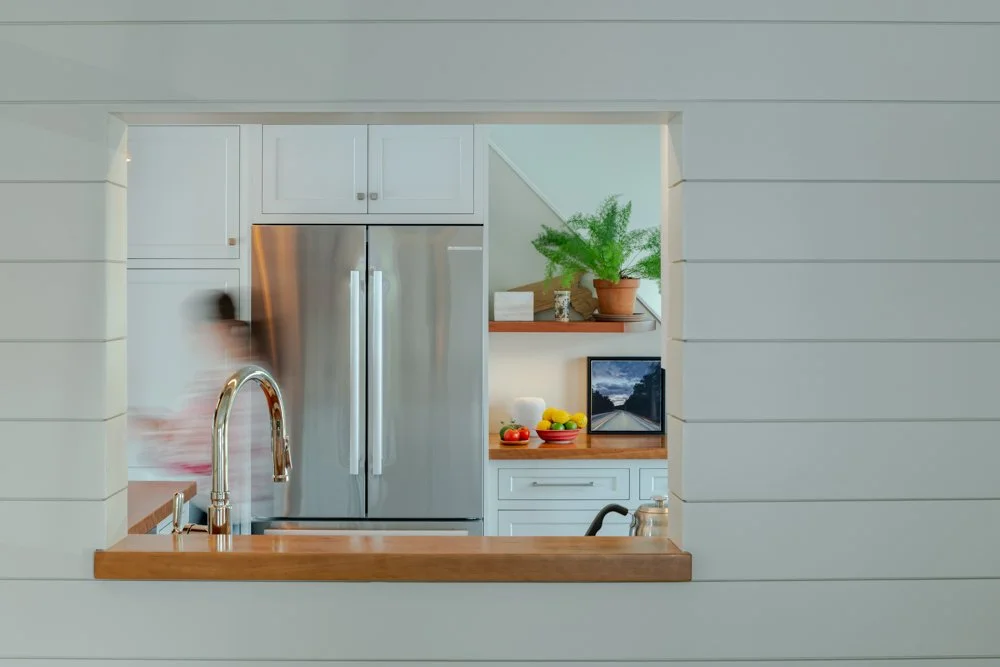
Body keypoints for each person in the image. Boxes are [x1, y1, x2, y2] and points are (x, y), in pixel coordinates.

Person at [131, 291, 271, 532]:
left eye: (199, 331)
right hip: (213, 509)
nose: (196, 339)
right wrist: (158, 428)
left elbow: (208, 451)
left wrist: (156, 433)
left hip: (236, 516)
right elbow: (188, 430)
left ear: (218, 329)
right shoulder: (219, 377)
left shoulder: (245, 383)